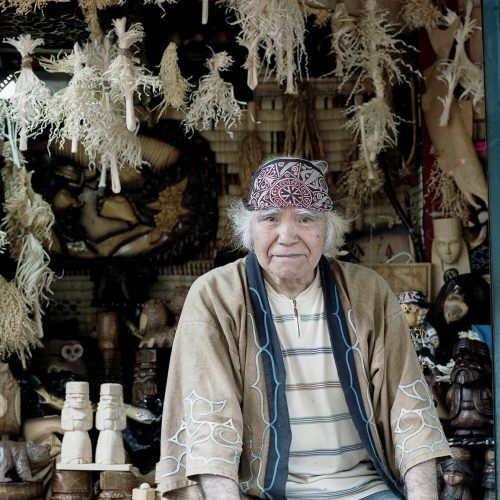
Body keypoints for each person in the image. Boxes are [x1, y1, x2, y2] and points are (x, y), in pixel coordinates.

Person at [156, 157, 451, 499]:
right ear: (250, 229)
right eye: (270, 218)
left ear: (328, 229)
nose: (287, 236)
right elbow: (210, 422)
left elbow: (409, 409)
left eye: (306, 218)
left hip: (364, 490)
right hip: (260, 493)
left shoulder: (368, 292)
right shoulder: (215, 297)